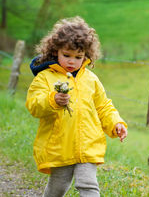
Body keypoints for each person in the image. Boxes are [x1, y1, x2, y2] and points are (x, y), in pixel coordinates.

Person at [25, 16, 128, 197]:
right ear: (55, 51)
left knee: (88, 185)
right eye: (67, 55)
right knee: (57, 188)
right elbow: (34, 105)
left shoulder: (91, 79)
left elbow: (103, 106)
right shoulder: (45, 78)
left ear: (86, 56)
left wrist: (115, 123)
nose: (72, 61)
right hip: (60, 146)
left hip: (88, 145)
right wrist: (52, 100)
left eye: (78, 57)